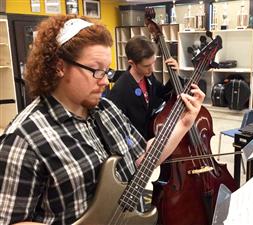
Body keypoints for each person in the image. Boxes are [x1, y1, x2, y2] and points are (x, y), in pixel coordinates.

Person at [0, 15, 205, 225]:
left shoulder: (107, 110)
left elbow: (143, 156)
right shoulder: (23, 139)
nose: (106, 81)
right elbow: (11, 221)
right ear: (59, 67)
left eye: (107, 71)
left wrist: (184, 123)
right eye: (97, 71)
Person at [107, 35, 180, 139]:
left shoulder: (148, 77)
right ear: (132, 63)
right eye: (146, 66)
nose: (152, 69)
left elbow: (162, 94)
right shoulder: (120, 91)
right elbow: (118, 131)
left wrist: (174, 75)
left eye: (153, 63)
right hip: (137, 145)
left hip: (151, 137)